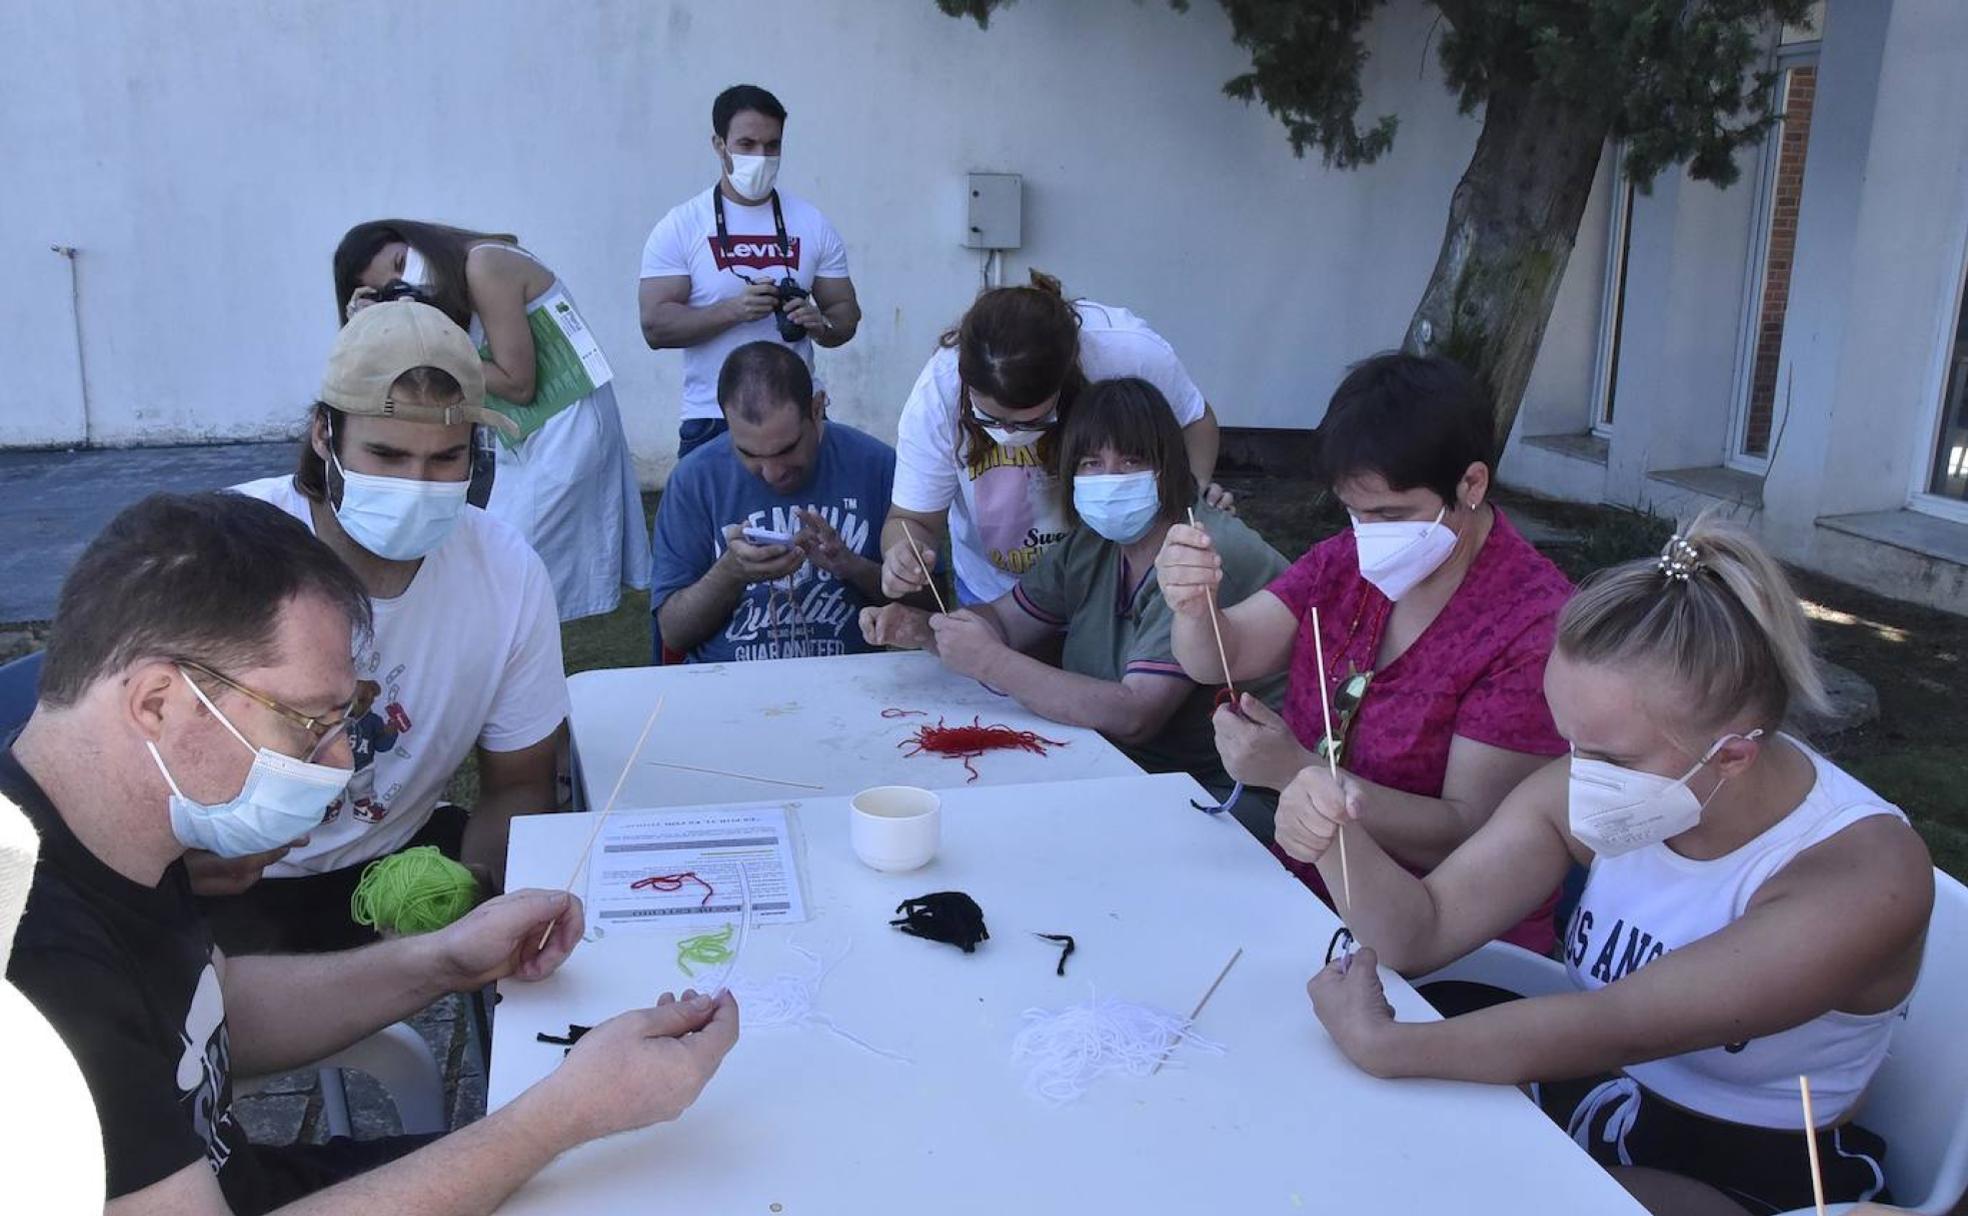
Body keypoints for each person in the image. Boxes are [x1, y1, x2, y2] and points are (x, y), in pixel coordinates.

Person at [4, 490, 739, 1215]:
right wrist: (564, 1113)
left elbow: (217, 1006)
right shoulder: (34, 970)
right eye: (308, 721)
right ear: (158, 703)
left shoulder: (112, 821)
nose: (339, 760)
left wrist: (446, 961)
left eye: (344, 718)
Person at [1290, 519, 1931, 1216]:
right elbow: (1423, 929)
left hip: (1764, 1170)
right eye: (1568, 738)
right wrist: (1330, 828)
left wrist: (1386, 1046)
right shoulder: (1634, 786)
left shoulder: (1861, 876)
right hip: (1611, 1096)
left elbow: (1615, 1024)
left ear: (1732, 756)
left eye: (1609, 757)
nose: (1576, 773)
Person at [1154, 353, 1573, 949]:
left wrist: (1298, 771)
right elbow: (1223, 654)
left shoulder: (1531, 625)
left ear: (1472, 484)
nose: (1371, 534)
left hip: (1445, 944)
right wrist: (1193, 604)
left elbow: (1471, 829)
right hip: (1307, 896)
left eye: (1391, 514)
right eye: (1354, 512)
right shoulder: (1347, 563)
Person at [210, 300, 569, 953]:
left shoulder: (508, 573)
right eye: (386, 454)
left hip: (398, 863)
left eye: (446, 459)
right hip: (226, 888)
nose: (416, 484)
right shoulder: (223, 553)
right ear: (324, 435)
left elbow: (520, 781)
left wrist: (472, 885)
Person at [863, 378, 1285, 814]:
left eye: (1131, 461)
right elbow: (1007, 622)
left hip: (1232, 797)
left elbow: (1136, 715)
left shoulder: (1199, 555)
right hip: (1132, 771)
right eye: (1091, 463)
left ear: (1169, 466)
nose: (1110, 480)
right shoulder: (1095, 544)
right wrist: (927, 630)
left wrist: (990, 661)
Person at [335, 219, 650, 622]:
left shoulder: (483, 264)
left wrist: (419, 340)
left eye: (401, 262)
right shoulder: (453, 287)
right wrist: (374, 327)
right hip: (525, 433)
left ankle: (520, 650)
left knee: (509, 567)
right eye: (390, 286)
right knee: (497, 561)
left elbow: (518, 384)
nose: (407, 280)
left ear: (416, 239)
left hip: (563, 428)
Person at [881, 270, 1231, 609]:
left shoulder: (1127, 353)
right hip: (995, 591)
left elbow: (1194, 420)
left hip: (1118, 582)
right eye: (989, 419)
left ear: (1066, 375)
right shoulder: (939, 392)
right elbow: (911, 521)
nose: (1008, 433)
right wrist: (902, 554)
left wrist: (1191, 494)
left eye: (1030, 421)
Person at [640, 84, 860, 460]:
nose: (761, 157)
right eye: (747, 144)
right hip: (713, 417)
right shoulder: (681, 226)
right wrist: (734, 310)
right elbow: (654, 327)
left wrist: (818, 324)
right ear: (719, 144)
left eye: (772, 146)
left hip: (798, 414)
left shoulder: (811, 223)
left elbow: (846, 315)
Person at [650, 342, 895, 663]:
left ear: (817, 409)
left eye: (786, 449)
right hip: (727, 682)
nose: (772, 473)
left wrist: (851, 566)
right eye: (749, 454)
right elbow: (673, 633)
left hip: (851, 679)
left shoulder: (875, 465)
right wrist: (731, 572)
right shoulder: (695, 479)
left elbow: (931, 606)